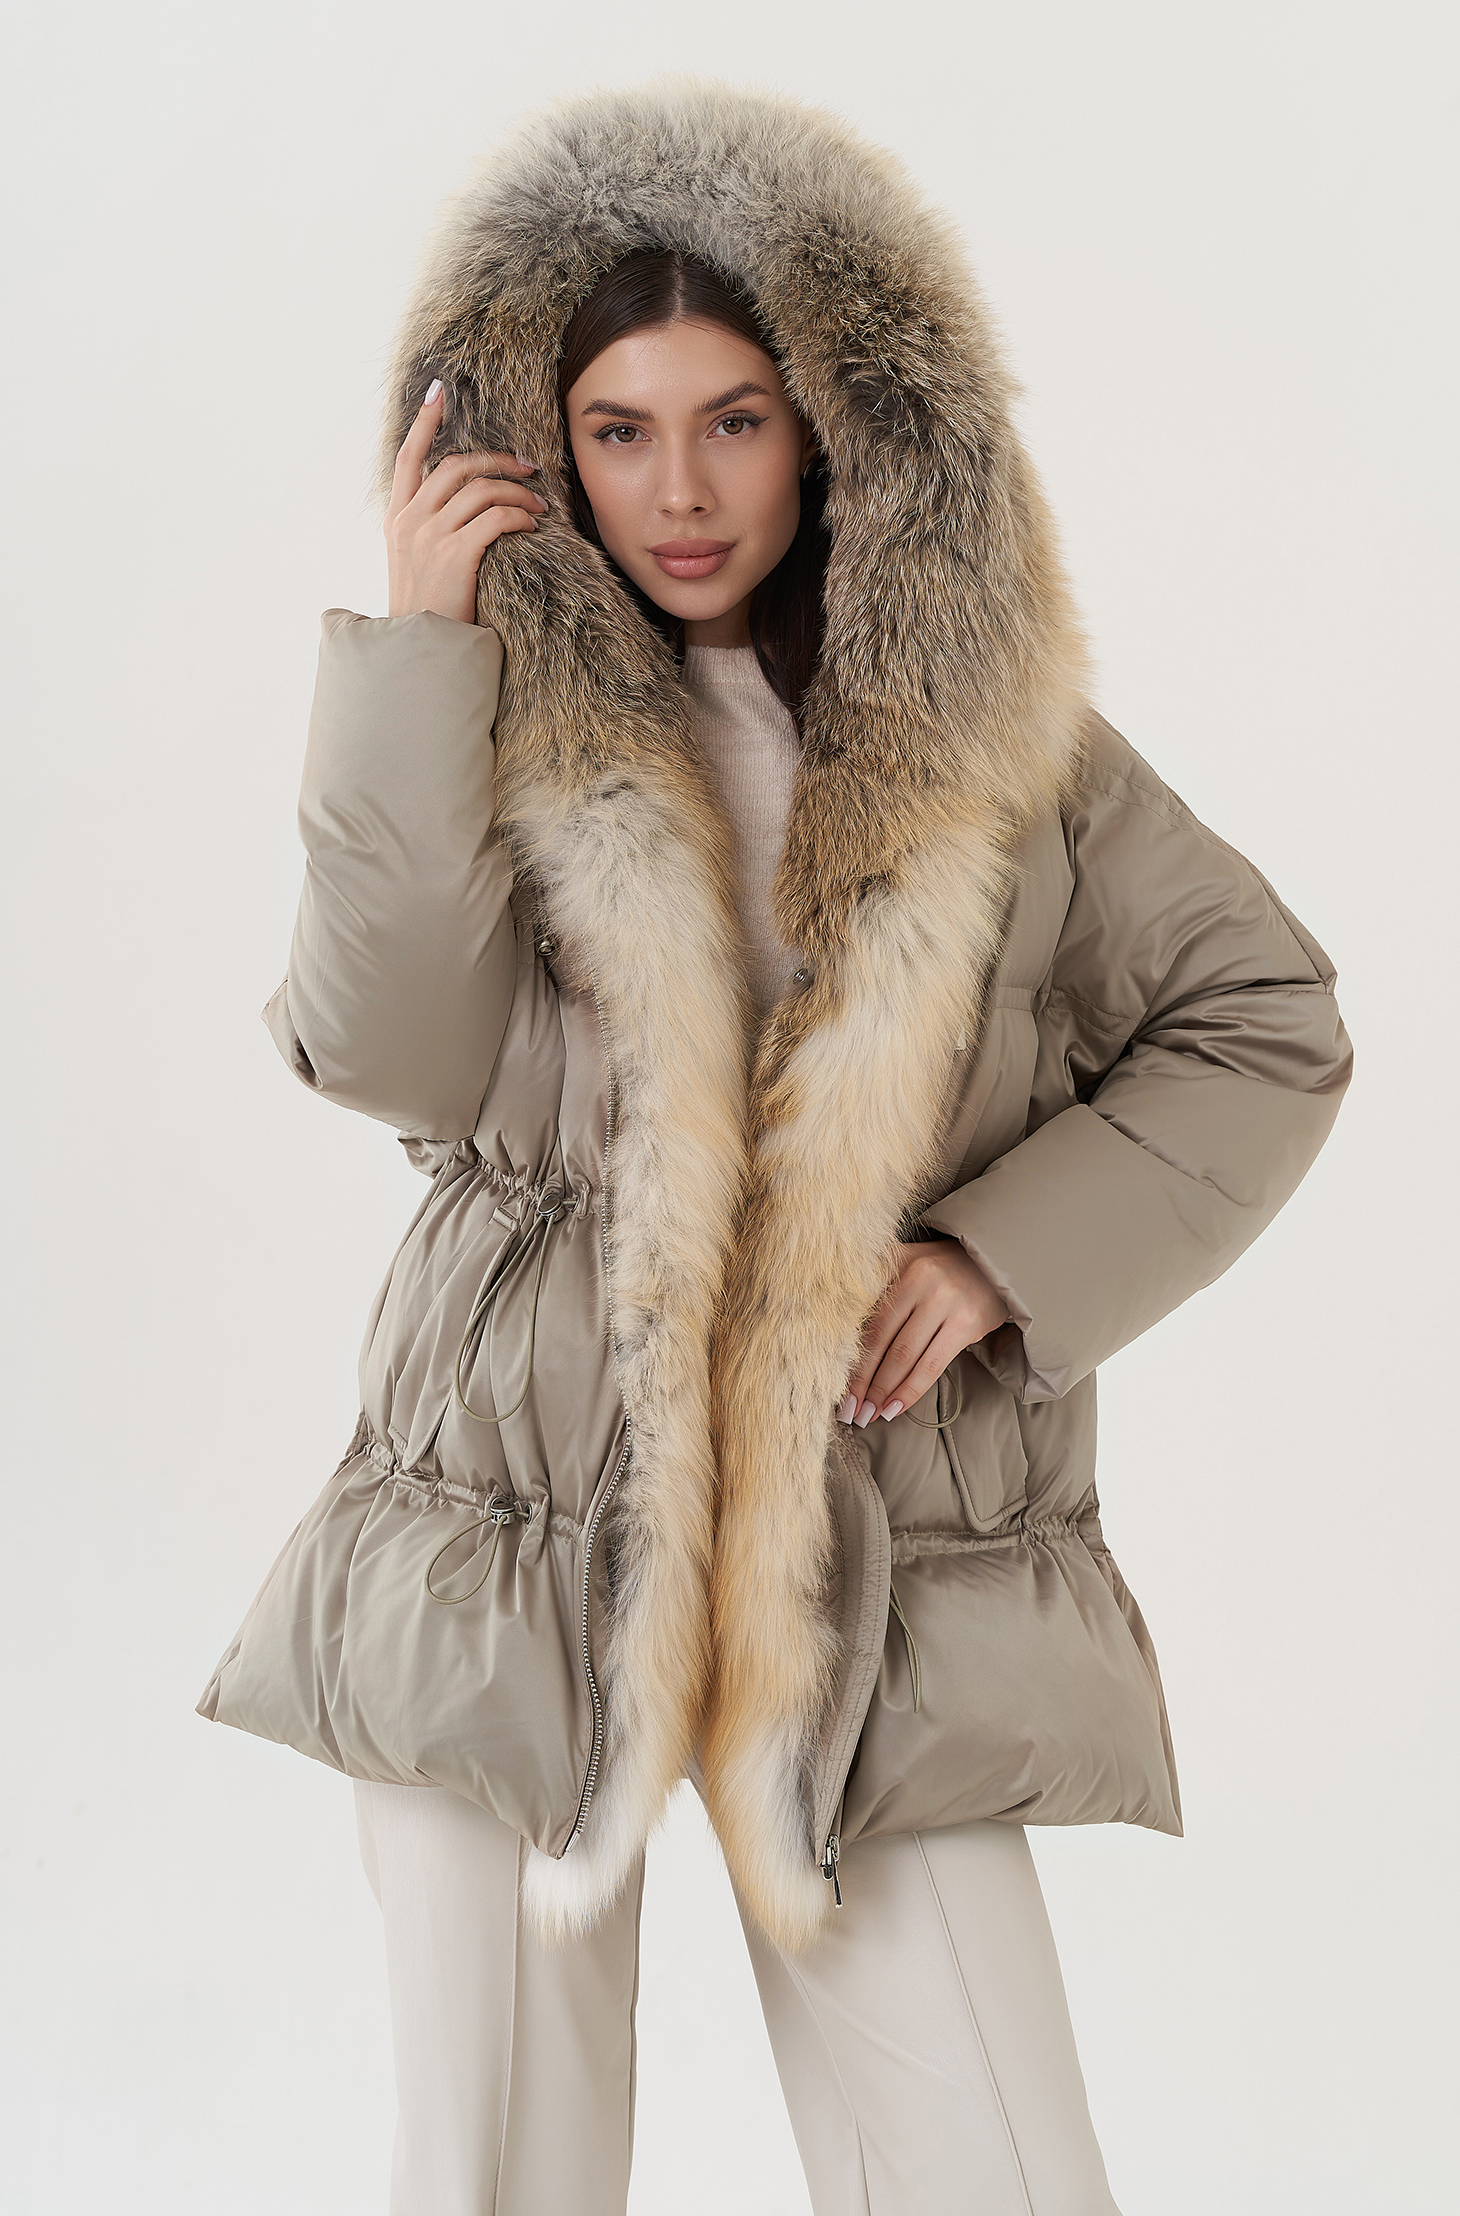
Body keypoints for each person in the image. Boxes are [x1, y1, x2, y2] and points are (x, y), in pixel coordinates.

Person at [199, 79, 1354, 2215]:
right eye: (617, 428)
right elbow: (386, 1051)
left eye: (732, 419)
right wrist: (416, 654)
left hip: (875, 1540)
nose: (679, 487)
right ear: (541, 444)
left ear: (825, 424)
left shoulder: (998, 747)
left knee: (995, 2168)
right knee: (494, 2173)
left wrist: (997, 1257)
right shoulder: (479, 715)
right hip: (514, 1526)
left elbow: (1264, 1020)